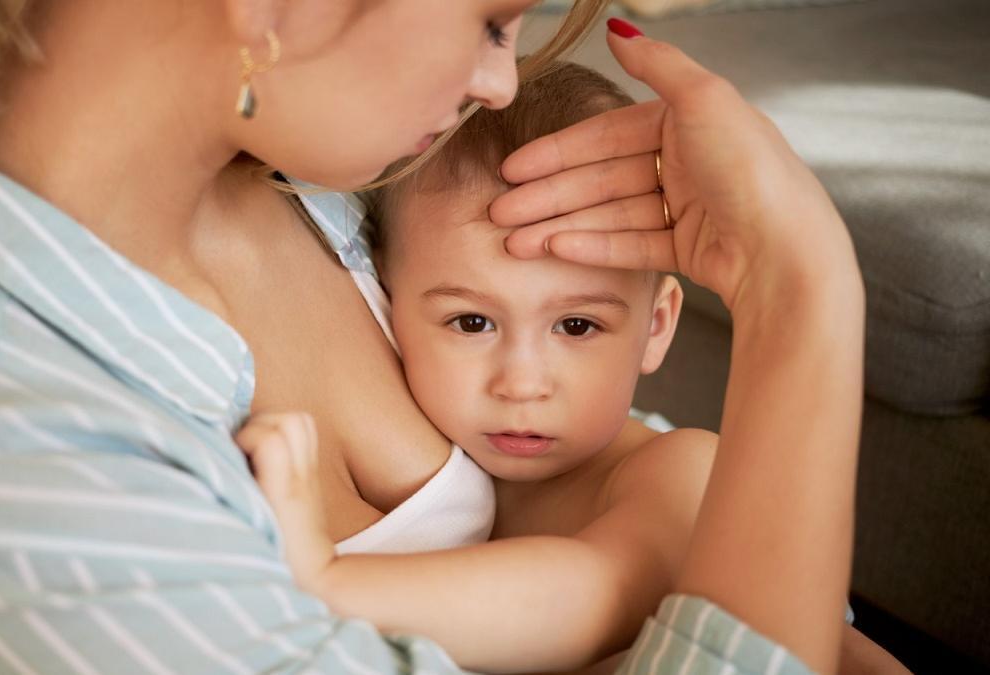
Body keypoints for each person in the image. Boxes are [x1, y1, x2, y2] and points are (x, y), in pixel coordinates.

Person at [0, 0, 867, 670]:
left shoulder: (342, 193)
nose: (500, 79)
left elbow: (603, 484)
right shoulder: (2, 475)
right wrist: (803, 297)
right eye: (492, 20)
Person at [238, 61, 903, 675]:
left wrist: (325, 580)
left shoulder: (683, 474)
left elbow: (584, 595)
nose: (523, 382)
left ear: (656, 326)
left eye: (577, 325)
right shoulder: (461, 464)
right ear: (385, 302)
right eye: (472, 322)